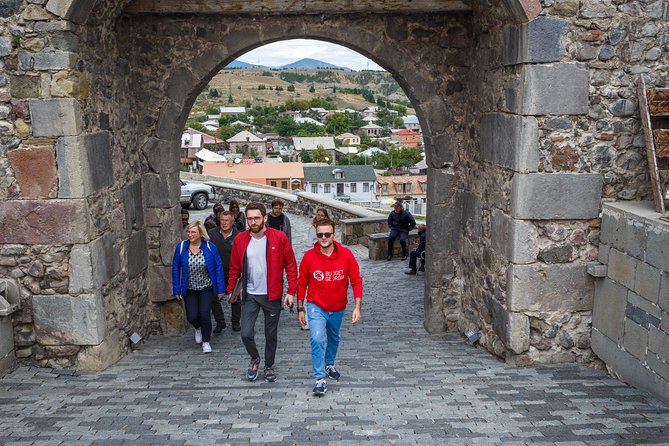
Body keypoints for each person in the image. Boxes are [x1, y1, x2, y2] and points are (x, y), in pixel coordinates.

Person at [227, 202, 297, 383]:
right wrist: (230, 289)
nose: (253, 221)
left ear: (265, 218)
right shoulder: (241, 239)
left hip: (272, 294)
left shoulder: (279, 237)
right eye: (249, 218)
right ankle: (255, 358)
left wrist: (291, 291)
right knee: (246, 333)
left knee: (270, 334)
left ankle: (269, 366)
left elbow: (290, 264)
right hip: (250, 294)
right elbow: (235, 266)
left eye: (257, 218)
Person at [297, 218, 363, 396]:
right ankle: (319, 379)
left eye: (327, 234)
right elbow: (301, 283)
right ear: (316, 235)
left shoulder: (346, 254)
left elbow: (356, 280)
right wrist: (300, 308)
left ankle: (329, 364)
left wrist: (357, 307)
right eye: (320, 234)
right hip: (316, 305)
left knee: (333, 338)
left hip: (338, 306)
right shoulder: (309, 257)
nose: (324, 237)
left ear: (334, 235)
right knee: (317, 339)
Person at [172, 221, 226, 354]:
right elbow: (175, 268)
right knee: (191, 316)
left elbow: (218, 268)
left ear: (201, 233)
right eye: (189, 232)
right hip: (189, 288)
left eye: (193, 232)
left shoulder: (209, 247)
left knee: (204, 314)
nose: (190, 235)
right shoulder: (181, 247)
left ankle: (206, 341)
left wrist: (220, 289)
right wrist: (177, 289)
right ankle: (197, 328)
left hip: (206, 288)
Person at [208, 210, 241, 333]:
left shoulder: (239, 236)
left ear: (232, 222)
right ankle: (220, 321)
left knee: (235, 297)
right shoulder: (211, 234)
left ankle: (236, 321)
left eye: (227, 221)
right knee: (214, 297)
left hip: (233, 272)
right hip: (216, 272)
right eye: (222, 220)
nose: (224, 223)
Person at [301, 207, 331, 331]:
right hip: (314, 261)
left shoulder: (329, 229)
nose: (319, 217)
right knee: (310, 290)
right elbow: (309, 245)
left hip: (326, 262)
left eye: (322, 215)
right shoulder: (312, 229)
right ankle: (308, 319)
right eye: (318, 215)